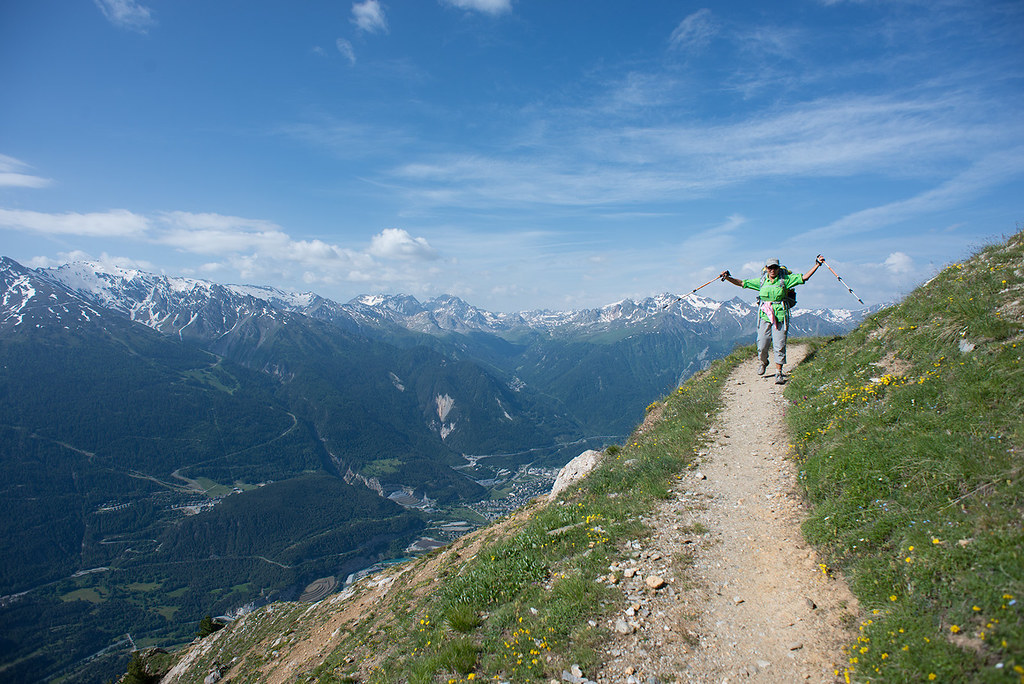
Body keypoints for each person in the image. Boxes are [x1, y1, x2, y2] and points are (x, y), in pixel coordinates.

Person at [719, 255, 825, 384]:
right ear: (766, 268)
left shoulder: (785, 280)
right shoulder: (762, 281)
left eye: (775, 267)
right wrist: (728, 277)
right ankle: (763, 362)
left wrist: (817, 264)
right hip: (765, 316)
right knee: (762, 344)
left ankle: (778, 372)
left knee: (779, 344)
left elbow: (804, 278)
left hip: (780, 316)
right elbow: (742, 283)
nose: (772, 270)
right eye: (770, 268)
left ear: (778, 268)